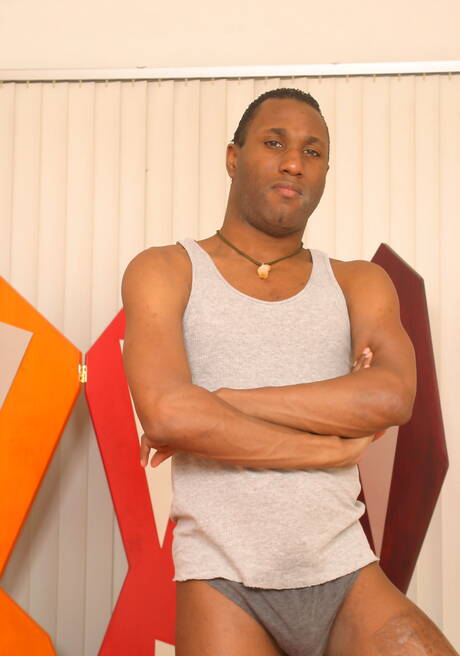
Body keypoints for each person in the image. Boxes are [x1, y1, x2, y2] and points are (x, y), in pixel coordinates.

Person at [121, 88, 458, 655]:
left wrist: (222, 399)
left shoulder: (358, 281)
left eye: (313, 151)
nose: (294, 163)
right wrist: (325, 449)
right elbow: (169, 414)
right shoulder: (167, 269)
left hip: (345, 571)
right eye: (274, 143)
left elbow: (391, 396)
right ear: (233, 157)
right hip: (223, 580)